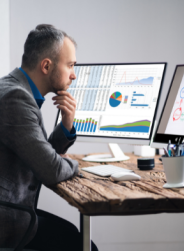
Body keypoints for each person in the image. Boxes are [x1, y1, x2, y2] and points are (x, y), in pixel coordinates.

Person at [0, 24, 98, 251]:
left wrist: (66, 124)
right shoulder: (15, 98)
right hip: (8, 221)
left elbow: (36, 154)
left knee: (76, 236)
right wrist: (80, 165)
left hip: (14, 209)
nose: (74, 74)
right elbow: (51, 170)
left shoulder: (14, 88)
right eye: (71, 65)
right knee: (84, 246)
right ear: (46, 65)